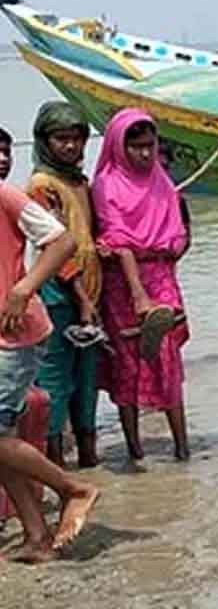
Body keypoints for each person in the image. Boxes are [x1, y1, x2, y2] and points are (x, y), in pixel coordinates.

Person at [0, 126, 100, 561]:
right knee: (2, 441)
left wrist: (25, 288)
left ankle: (73, 487)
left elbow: (62, 241)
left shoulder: (6, 195)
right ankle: (38, 536)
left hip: (14, 331)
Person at [93, 109, 193, 462]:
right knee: (127, 363)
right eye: (136, 147)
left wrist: (174, 246)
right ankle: (135, 448)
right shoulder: (106, 184)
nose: (145, 154)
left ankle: (182, 446)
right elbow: (117, 238)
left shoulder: (161, 181)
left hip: (161, 271)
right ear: (119, 147)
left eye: (149, 146)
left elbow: (178, 232)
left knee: (166, 356)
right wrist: (137, 293)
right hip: (123, 280)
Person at [26, 102, 104, 468]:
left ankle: (89, 461)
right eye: (61, 139)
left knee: (87, 382)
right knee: (56, 382)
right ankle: (55, 467)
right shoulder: (42, 185)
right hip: (60, 295)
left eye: (77, 139)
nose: (71, 147)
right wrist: (82, 298)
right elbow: (53, 248)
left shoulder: (79, 181)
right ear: (45, 141)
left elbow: (87, 234)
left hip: (90, 291)